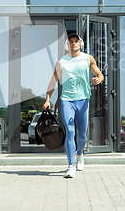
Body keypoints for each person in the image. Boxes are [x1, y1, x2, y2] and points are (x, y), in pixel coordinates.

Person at [43, 33, 104, 178]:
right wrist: (47, 99)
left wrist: (99, 79)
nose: (74, 43)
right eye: (71, 42)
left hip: (83, 100)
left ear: (80, 44)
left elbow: (99, 73)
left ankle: (80, 154)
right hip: (67, 100)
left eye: (76, 41)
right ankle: (70, 166)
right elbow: (52, 82)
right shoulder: (61, 62)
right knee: (70, 131)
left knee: (82, 135)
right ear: (67, 45)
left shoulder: (88, 58)